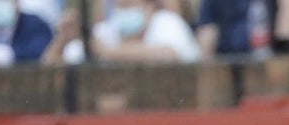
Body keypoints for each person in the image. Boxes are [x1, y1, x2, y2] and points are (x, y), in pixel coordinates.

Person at [45, 0, 201, 65]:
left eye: (130, 5)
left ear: (150, 5)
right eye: (120, 6)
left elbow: (168, 55)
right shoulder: (105, 31)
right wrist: (61, 41)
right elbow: (47, 69)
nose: (124, 10)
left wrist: (105, 51)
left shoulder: (167, 21)